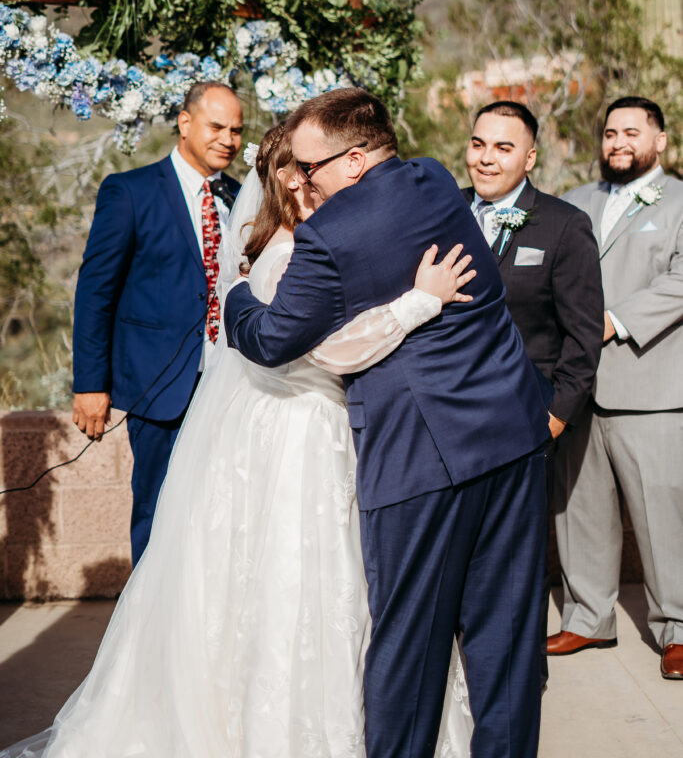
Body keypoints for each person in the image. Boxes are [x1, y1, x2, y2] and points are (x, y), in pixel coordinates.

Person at [2, 124, 474, 758]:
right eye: (318, 168)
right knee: (294, 575)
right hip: (298, 432)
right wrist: (419, 303)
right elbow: (321, 350)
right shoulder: (289, 252)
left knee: (292, 579)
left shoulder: (285, 245)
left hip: (286, 423)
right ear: (290, 179)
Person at [226, 88, 552, 758]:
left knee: (408, 644)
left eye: (310, 167)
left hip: (421, 458)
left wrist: (235, 299)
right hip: (512, 436)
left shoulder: (328, 237)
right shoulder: (433, 177)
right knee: (507, 641)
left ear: (351, 161)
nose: (303, 180)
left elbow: (272, 340)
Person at [461, 99, 604, 686]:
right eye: (477, 144)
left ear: (530, 157)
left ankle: (515, 675)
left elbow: (583, 333)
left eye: (502, 148)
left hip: (526, 419)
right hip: (451, 413)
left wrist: (555, 416)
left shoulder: (563, 224)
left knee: (514, 556)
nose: (486, 159)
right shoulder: (443, 212)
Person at [72, 81, 243, 565]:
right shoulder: (130, 192)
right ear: (185, 122)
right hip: (160, 386)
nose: (227, 139)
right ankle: (150, 633)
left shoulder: (241, 196)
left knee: (223, 511)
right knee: (159, 509)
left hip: (231, 383)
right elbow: (95, 292)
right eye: (216, 126)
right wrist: (90, 383)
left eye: (236, 130)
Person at [549, 96, 683, 680]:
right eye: (609, 132)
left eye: (632, 131)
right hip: (574, 386)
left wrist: (612, 319)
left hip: (649, 381)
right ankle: (587, 616)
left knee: (662, 513)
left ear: (659, 141)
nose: (617, 142)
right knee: (577, 506)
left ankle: (677, 628)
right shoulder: (574, 201)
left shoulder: (679, 200)